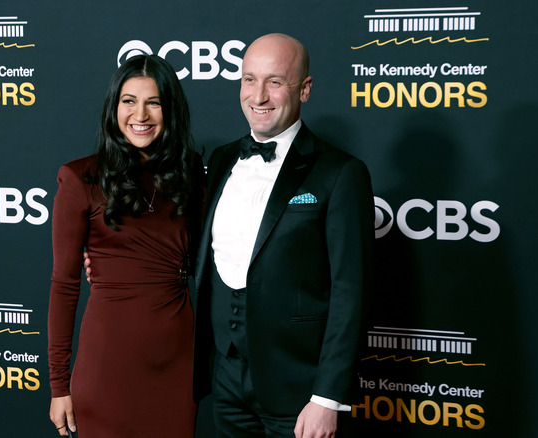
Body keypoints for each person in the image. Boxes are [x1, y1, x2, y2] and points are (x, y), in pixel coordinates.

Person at [192, 33, 374, 438]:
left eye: (275, 81)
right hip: (225, 378)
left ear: (304, 89)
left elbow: (351, 290)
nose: (259, 95)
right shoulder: (221, 159)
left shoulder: (341, 173)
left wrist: (327, 398)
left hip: (299, 391)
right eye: (249, 79)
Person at [47, 54, 203, 438]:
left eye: (154, 102)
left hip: (177, 361)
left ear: (170, 110)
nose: (141, 114)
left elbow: (211, 259)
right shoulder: (80, 177)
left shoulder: (193, 175)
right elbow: (65, 285)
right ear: (114, 107)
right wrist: (59, 386)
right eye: (129, 101)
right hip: (107, 363)